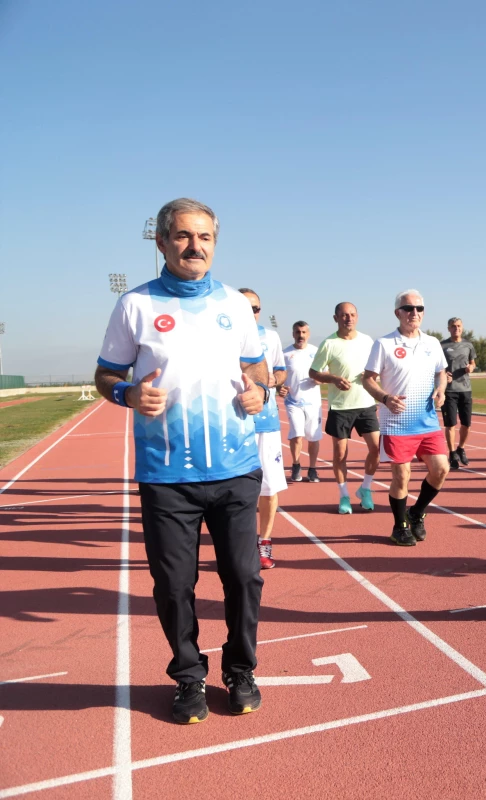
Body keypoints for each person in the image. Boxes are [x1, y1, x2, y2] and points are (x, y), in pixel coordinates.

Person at [94, 198, 266, 724]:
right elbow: (105, 375)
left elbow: (259, 375)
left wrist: (261, 395)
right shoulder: (135, 306)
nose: (196, 247)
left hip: (235, 466)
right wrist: (126, 394)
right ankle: (189, 676)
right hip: (167, 473)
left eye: (205, 237)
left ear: (215, 242)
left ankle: (241, 669)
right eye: (185, 237)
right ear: (163, 242)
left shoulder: (236, 303)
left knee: (244, 575)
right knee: (173, 585)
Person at [363, 290, 450, 545]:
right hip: (396, 423)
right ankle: (400, 526)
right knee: (402, 476)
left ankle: (417, 512)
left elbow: (441, 372)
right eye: (409, 308)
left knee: (441, 469)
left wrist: (441, 389)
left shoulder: (432, 343)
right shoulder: (384, 344)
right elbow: (367, 378)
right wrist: (385, 398)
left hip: (427, 421)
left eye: (419, 309)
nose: (415, 313)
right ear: (397, 313)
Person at [309, 303, 379, 514]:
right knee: (340, 455)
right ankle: (344, 496)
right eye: (344, 315)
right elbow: (313, 372)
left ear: (357, 317)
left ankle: (365, 489)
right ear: (336, 318)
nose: (348, 318)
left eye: (352, 315)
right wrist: (333, 378)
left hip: (366, 404)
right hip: (340, 407)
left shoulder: (367, 341)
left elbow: (376, 368)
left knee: (376, 449)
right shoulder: (329, 343)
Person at [240, 289, 288, 570]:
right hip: (231, 422)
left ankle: (264, 540)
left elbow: (281, 371)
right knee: (234, 489)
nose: (252, 313)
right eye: (245, 308)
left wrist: (274, 378)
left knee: (267, 487)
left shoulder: (270, 337)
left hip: (265, 423)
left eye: (255, 308)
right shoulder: (221, 335)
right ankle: (240, 543)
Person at [279, 321, 323, 484]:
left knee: (313, 437)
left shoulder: (316, 352)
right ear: (293, 334)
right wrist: (279, 388)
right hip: (293, 401)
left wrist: (321, 380)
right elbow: (279, 378)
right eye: (298, 332)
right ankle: (296, 464)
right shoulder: (285, 354)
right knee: (297, 434)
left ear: (308, 334)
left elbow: (324, 373)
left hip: (313, 403)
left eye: (304, 332)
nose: (301, 336)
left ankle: (312, 469)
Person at [441, 317, 476, 470]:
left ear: (462, 327)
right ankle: (452, 452)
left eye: (459, 326)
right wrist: (443, 375)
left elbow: (473, 362)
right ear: (449, 328)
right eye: (453, 326)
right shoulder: (442, 345)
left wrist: (471, 367)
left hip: (465, 389)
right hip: (449, 390)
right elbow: (437, 366)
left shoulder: (468, 345)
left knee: (467, 424)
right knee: (450, 425)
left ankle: (461, 448)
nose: (456, 328)